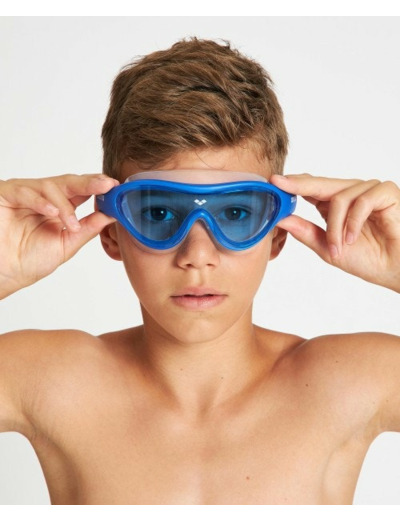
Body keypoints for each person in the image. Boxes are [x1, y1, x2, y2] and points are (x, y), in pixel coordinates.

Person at [0, 37, 399, 505]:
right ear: (111, 232)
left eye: (235, 214)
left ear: (276, 234)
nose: (197, 255)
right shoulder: (50, 379)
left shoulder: (348, 381)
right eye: (159, 213)